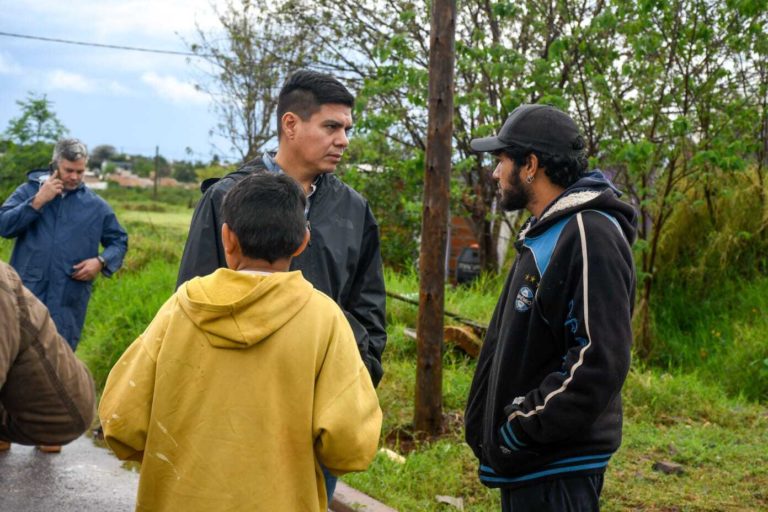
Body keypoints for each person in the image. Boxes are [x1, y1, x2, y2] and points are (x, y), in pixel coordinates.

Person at [99, 172, 382, 512]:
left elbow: (121, 423)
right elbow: (349, 445)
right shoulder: (325, 319)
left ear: (226, 238)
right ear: (303, 241)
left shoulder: (180, 309)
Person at [176, 70, 387, 500]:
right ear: (290, 125)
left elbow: (368, 307)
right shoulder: (227, 200)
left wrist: (357, 375)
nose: (343, 140)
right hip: (232, 417)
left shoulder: (352, 210)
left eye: (347, 128)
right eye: (331, 126)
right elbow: (192, 304)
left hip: (316, 413)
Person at [463, 104, 637, 511]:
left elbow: (599, 359)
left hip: (556, 470)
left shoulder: (588, 233)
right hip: (535, 467)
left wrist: (520, 429)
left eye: (501, 160)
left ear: (531, 165)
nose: (494, 173)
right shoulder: (550, 230)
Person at [0, 138, 128, 351]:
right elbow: (4, 226)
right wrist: (38, 201)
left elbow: (119, 241)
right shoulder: (28, 192)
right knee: (15, 359)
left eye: (80, 171)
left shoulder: (96, 207)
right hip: (25, 296)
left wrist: (101, 261)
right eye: (69, 170)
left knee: (59, 368)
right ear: (54, 166)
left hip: (68, 303)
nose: (75, 177)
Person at [0, 260, 96, 453]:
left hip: (65, 287)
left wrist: (103, 261)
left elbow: (116, 239)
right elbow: (9, 228)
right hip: (31, 277)